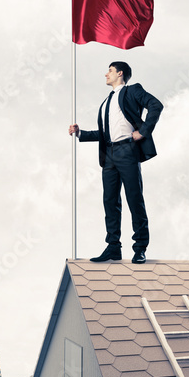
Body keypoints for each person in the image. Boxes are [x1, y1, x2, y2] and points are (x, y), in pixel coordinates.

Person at [69, 62, 163, 264]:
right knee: (110, 202)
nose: (106, 74)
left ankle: (139, 248)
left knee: (134, 199)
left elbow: (156, 105)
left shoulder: (132, 91)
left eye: (110, 70)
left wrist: (144, 131)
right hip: (109, 154)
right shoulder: (106, 102)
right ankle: (113, 248)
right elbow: (104, 133)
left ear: (120, 73)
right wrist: (80, 133)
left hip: (127, 150)